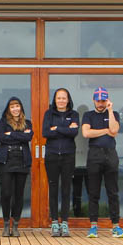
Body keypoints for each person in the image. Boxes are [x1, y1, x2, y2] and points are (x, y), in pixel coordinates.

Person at [80, 86, 123, 238]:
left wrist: (110, 111)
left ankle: (116, 226)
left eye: (103, 100)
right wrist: (105, 131)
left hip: (110, 154)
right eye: (98, 100)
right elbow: (86, 133)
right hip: (94, 154)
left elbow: (114, 130)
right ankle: (93, 226)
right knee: (93, 192)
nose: (100, 103)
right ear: (93, 100)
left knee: (113, 192)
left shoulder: (114, 114)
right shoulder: (88, 115)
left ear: (107, 100)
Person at [41, 87, 79, 237]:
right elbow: (45, 133)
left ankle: (65, 223)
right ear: (54, 100)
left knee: (66, 189)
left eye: (64, 98)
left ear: (68, 99)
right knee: (53, 188)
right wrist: (65, 129)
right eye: (58, 98)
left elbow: (74, 132)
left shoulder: (74, 114)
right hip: (52, 155)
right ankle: (54, 223)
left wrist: (56, 128)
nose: (61, 100)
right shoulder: (49, 114)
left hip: (68, 155)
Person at [0, 96, 32, 237]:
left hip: (22, 161)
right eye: (12, 107)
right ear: (9, 109)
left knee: (19, 195)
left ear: (21, 107)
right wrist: (20, 135)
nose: (15, 109)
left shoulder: (27, 123)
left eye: (17, 106)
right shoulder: (3, 123)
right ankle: (6, 224)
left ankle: (15, 225)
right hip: (7, 160)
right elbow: (1, 137)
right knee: (6, 193)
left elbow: (28, 137)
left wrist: (11, 134)